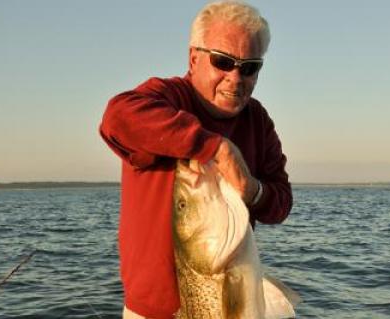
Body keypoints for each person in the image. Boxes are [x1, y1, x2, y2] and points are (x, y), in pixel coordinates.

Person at [99, 1, 292, 318]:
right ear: (194, 58)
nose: (235, 77)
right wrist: (213, 148)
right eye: (223, 61)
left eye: (250, 67)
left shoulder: (257, 120)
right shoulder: (166, 97)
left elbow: (281, 202)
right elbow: (117, 118)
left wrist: (253, 192)